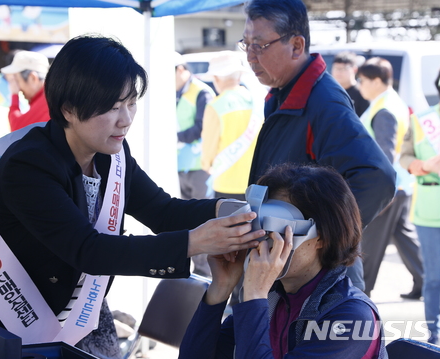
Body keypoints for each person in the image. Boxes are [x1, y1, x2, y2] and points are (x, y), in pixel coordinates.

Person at [0, 35, 265, 359]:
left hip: (45, 328)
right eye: (112, 106)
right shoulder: (29, 164)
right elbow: (88, 250)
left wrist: (231, 210)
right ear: (68, 108)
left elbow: (162, 210)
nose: (125, 120)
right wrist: (195, 242)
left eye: (131, 103)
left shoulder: (112, 154)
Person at [240, 0, 396, 291]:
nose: (250, 56)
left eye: (259, 45)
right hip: (288, 279)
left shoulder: (322, 101)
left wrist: (321, 242)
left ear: (297, 46)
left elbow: (378, 177)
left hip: (319, 288)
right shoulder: (284, 93)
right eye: (245, 44)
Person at [179, 164, 386, 359]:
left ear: (322, 237)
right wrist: (220, 288)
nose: (260, 241)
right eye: (255, 228)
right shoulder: (273, 299)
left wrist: (254, 296)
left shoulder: (351, 317)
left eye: (276, 230)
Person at [356, 57, 423, 299]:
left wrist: (380, 191)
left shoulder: (384, 109)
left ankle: (360, 295)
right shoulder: (392, 103)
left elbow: (386, 153)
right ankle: (426, 281)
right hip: (401, 185)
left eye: (361, 80)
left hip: (388, 188)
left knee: (370, 244)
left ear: (376, 81)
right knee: (404, 236)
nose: (359, 84)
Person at [400, 62, 440, 344]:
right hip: (431, 210)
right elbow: (404, 157)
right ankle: (435, 331)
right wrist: (423, 165)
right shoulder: (421, 120)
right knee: (434, 277)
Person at [200, 50, 263, 201]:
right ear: (240, 75)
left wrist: (206, 164)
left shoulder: (215, 106)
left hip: (226, 182)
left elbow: (209, 144)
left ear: (215, 78)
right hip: (257, 182)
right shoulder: (257, 101)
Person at [175, 52, 215, 201]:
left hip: (199, 165)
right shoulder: (174, 92)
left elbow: (203, 126)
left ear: (180, 70)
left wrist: (175, 138)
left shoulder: (201, 92)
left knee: (202, 213)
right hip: (181, 163)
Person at [0, 50, 50, 131]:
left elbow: (17, 130)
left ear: (33, 78)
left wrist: (14, 96)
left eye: (17, 80)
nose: (17, 87)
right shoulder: (49, 96)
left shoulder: (47, 100)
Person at [331, 51, 369, 117]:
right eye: (336, 68)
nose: (339, 72)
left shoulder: (362, 93)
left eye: (343, 69)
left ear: (354, 70)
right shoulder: (330, 91)